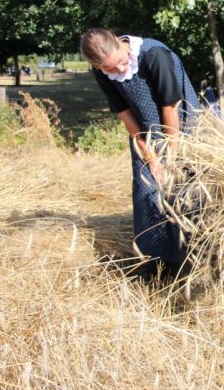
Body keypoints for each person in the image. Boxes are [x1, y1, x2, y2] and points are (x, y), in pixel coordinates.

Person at [80, 29, 201, 279]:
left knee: (183, 192)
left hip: (182, 127)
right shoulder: (102, 71)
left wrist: (171, 155)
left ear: (119, 43)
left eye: (121, 62)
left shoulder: (153, 55)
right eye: (110, 69)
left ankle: (192, 262)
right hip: (145, 134)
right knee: (148, 193)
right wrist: (151, 158)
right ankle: (156, 266)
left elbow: (171, 106)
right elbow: (125, 114)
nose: (119, 70)